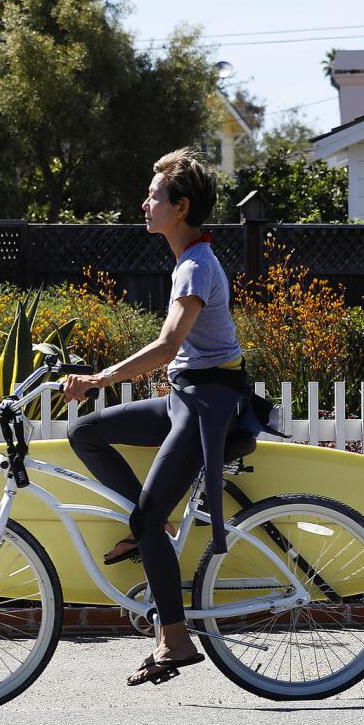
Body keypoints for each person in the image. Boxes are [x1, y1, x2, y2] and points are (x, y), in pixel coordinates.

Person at [62, 147, 247, 688]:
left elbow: (168, 346)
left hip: (209, 401)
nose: (144, 204)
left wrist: (98, 379)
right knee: (85, 432)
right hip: (184, 396)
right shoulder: (188, 259)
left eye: (154, 196)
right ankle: (156, 523)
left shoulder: (196, 266)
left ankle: (177, 639)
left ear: (181, 206)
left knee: (143, 521)